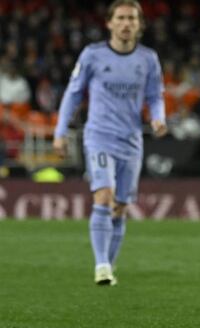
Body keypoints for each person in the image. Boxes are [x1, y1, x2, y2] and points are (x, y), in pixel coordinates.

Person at [53, 0, 166, 286]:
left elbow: (155, 95)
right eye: (121, 18)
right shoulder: (93, 55)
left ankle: (108, 268)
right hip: (99, 136)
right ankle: (101, 265)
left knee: (120, 206)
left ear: (139, 25)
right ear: (110, 23)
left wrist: (157, 118)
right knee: (103, 196)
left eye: (132, 18)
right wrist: (60, 131)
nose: (126, 23)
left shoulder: (148, 59)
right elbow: (73, 93)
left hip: (131, 140)